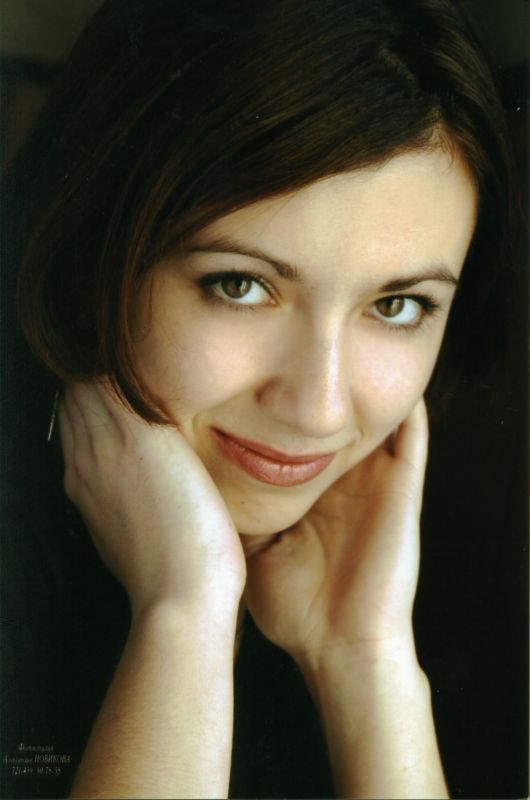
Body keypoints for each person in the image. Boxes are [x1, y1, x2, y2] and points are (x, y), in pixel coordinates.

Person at [0, 1, 523, 798]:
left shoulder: (383, 586)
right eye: (240, 286)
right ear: (96, 253)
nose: (319, 408)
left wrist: (364, 660)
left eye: (397, 305)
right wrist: (184, 617)